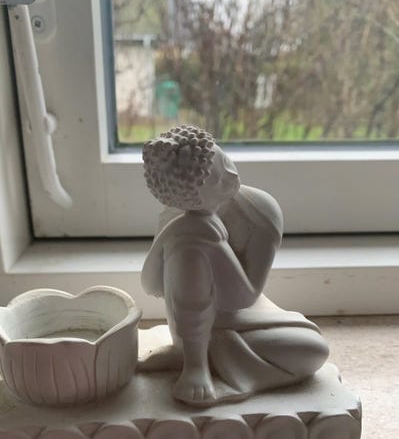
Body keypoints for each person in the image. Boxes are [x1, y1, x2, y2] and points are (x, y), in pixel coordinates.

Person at [141, 126, 329, 406]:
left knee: (313, 349)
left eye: (226, 161)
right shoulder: (177, 217)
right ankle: (194, 364)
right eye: (218, 180)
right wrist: (175, 234)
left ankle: (231, 370)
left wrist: (217, 247)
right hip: (187, 321)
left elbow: (243, 298)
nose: (231, 176)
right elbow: (152, 285)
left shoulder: (260, 210)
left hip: (241, 316)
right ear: (192, 197)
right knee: (190, 241)